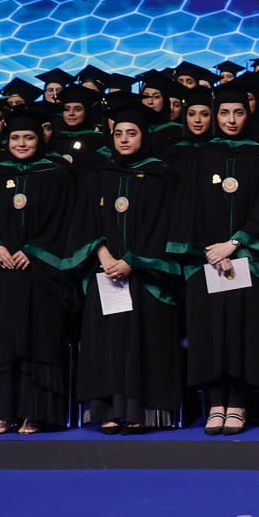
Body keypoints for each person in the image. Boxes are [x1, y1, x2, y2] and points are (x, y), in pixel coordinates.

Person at [0, 109, 80, 433]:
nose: (22, 143)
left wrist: (34, 249)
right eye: (15, 137)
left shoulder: (57, 174)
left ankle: (34, 413)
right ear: (6, 140)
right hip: (0, 273)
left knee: (37, 339)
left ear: (40, 139)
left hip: (42, 274)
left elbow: (65, 224)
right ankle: (1, 412)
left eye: (28, 137)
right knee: (0, 341)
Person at [180, 84, 259, 436]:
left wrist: (235, 244)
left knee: (244, 332)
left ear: (248, 114)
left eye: (238, 113)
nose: (230, 120)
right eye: (224, 113)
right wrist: (210, 251)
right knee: (209, 331)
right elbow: (189, 210)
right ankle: (215, 404)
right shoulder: (200, 156)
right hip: (206, 262)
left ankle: (238, 404)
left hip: (248, 260)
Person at [72, 102, 185, 433]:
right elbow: (84, 221)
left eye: (131, 133)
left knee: (142, 342)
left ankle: (139, 411)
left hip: (144, 277)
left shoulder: (160, 176)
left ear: (144, 136)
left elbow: (165, 226)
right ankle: (106, 410)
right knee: (106, 342)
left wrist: (132, 261)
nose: (123, 139)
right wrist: (104, 256)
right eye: (118, 133)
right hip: (105, 274)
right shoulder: (98, 174)